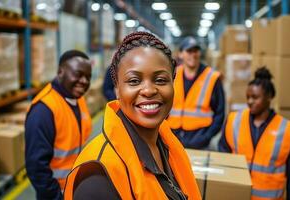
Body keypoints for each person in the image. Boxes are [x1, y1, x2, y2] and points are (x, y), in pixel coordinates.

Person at [64, 32, 202, 200]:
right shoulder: (99, 178)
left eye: (160, 80)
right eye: (134, 81)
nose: (149, 90)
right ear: (117, 90)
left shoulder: (167, 145)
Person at [25, 50, 92, 200]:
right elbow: (36, 168)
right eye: (78, 74)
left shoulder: (78, 99)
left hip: (75, 187)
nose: (84, 81)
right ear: (60, 71)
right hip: (57, 193)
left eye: (88, 77)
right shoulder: (43, 110)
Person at [219, 67, 290, 199]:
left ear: (269, 97)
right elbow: (223, 157)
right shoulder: (233, 120)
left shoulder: (288, 130)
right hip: (237, 196)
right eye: (248, 97)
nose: (249, 102)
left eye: (255, 97)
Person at [167, 36, 225, 149]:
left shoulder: (212, 77)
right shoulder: (172, 75)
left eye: (196, 51)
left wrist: (206, 136)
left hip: (200, 141)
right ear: (180, 54)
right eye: (189, 51)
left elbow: (220, 113)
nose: (193, 55)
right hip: (173, 138)